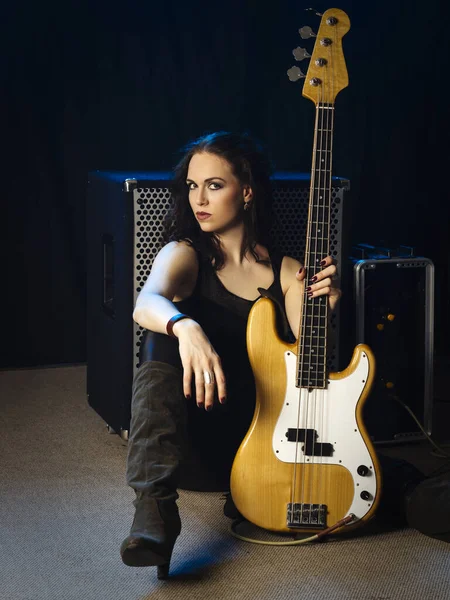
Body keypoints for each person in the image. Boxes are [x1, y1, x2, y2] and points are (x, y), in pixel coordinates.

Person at [119, 131, 341, 578]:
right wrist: (187, 327)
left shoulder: (287, 271)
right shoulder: (183, 254)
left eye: (214, 185)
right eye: (192, 185)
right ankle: (155, 515)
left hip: (261, 446)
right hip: (193, 444)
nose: (199, 198)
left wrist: (326, 307)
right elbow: (146, 302)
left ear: (247, 192)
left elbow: (308, 366)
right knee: (160, 337)